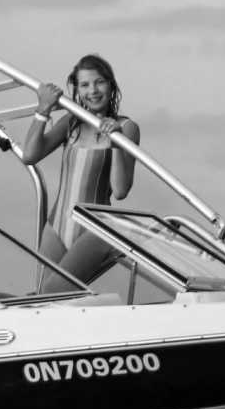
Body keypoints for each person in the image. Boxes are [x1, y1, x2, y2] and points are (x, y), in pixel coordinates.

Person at [20, 55, 140, 288]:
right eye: (84, 85)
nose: (92, 91)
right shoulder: (71, 122)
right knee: (44, 299)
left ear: (111, 85)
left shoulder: (127, 127)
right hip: (56, 226)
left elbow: (120, 190)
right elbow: (30, 155)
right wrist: (43, 110)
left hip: (96, 229)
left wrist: (115, 142)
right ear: (77, 89)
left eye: (99, 82)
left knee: (53, 290)